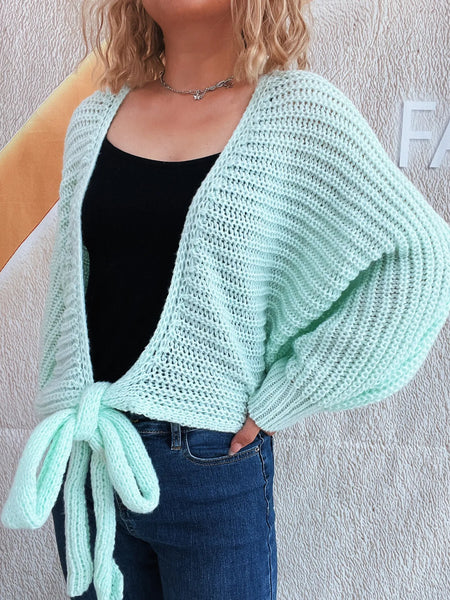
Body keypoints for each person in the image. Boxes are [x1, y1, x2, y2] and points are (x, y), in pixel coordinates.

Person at [3, 1, 450, 600]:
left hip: (208, 465)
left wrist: (286, 395)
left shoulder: (298, 113)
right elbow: (71, 299)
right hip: (89, 456)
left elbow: (420, 257)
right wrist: (60, 409)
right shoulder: (94, 119)